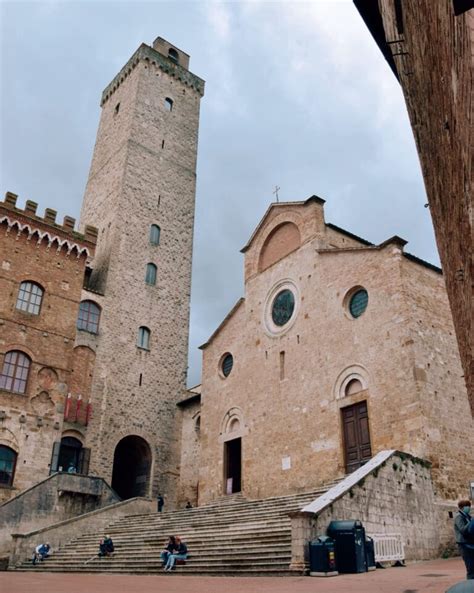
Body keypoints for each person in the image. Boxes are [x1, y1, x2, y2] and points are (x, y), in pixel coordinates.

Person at [454, 499, 474, 580]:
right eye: (467, 506)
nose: (469, 508)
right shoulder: (459, 516)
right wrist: (471, 522)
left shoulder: (468, 517)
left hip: (471, 544)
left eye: (469, 506)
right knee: (470, 567)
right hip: (464, 545)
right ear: (461, 507)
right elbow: (463, 530)